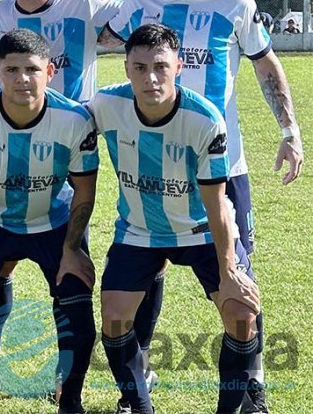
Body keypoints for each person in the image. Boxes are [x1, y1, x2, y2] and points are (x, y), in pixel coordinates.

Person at [105, 0, 304, 413]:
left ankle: (251, 386)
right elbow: (93, 34)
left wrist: (290, 129)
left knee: (239, 278)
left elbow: (265, 65)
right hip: (151, 169)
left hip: (223, 168)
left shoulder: (233, 0)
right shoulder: (138, 3)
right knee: (147, 268)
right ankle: (137, 380)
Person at [90, 23, 261, 414]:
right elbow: (63, 120)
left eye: (160, 66)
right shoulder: (106, 105)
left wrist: (229, 268)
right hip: (140, 231)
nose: (150, 77)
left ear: (179, 66)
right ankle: (139, 404)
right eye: (139, 67)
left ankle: (231, 408)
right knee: (114, 320)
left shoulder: (204, 120)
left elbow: (217, 204)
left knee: (241, 316)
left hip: (202, 230)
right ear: (126, 68)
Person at [0, 29, 98, 414]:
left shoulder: (74, 119)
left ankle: (71, 398)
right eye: (11, 70)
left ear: (48, 71)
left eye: (31, 70)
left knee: (76, 300)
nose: (22, 79)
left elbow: (85, 190)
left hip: (55, 219)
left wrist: (71, 249)